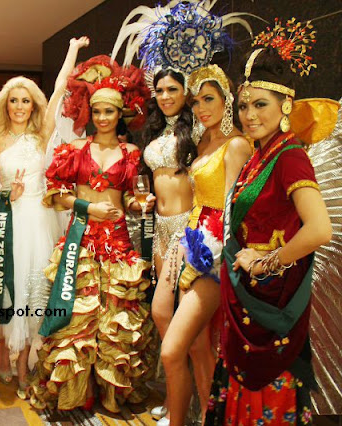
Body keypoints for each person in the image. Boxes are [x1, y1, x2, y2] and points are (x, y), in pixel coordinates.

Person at [109, 3, 254, 422]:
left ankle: (201, 407)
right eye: (161, 90)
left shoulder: (203, 133)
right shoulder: (156, 131)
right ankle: (183, 396)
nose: (167, 96)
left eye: (176, 90)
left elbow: (225, 197)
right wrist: (138, 203)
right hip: (163, 228)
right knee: (165, 316)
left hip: (196, 230)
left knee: (196, 336)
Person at [206, 23, 332, 425]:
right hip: (247, 293)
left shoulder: (290, 156)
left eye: (260, 104)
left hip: (272, 300)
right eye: (244, 106)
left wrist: (266, 262)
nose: (249, 115)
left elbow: (319, 229)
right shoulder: (260, 154)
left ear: (286, 106)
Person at [27, 55, 156, 413]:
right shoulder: (74, 150)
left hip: (118, 242)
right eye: (96, 111)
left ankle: (111, 392)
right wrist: (88, 208)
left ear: (120, 113)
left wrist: (138, 205)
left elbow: (129, 198)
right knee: (77, 317)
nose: (102, 118)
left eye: (108, 112)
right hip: (80, 240)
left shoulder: (132, 153)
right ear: (89, 112)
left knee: (116, 316)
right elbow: (56, 195)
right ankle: (75, 391)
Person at [0, 36, 88, 399]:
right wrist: (4, 194)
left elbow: (60, 87)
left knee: (35, 291)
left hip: (39, 219)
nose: (19, 106)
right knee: (8, 290)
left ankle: (23, 366)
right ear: (6, 104)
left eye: (25, 100)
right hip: (9, 222)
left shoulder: (41, 133)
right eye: (13, 100)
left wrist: (72, 49)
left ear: (33, 105)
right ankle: (3, 355)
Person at [158, 65, 251, 426]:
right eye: (196, 102)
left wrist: (219, 256)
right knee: (194, 342)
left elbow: (233, 209)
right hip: (191, 237)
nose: (201, 108)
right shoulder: (203, 142)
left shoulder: (236, 144)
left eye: (209, 99)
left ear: (227, 100)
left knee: (173, 350)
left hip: (214, 252)